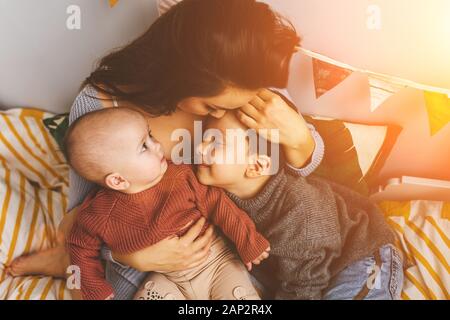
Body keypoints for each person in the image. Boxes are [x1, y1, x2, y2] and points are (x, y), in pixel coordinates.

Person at [6, 0, 324, 299]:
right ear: (180, 76)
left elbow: (291, 180)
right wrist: (128, 254)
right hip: (146, 258)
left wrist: (300, 139)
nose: (217, 116)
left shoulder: (243, 87)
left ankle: (65, 263)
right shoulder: (102, 108)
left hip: (228, 247)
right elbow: (85, 216)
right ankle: (66, 263)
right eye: (211, 105)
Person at [183, 112, 403, 300]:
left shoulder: (298, 214)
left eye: (217, 143)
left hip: (361, 258)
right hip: (297, 267)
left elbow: (304, 288)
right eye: (205, 138)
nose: (200, 148)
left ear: (257, 165)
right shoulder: (215, 189)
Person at [64, 107, 270, 300]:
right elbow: (79, 247)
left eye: (151, 135)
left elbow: (218, 203)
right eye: (144, 146)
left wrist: (247, 240)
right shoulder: (98, 213)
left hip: (216, 262)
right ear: (117, 180)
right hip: (167, 277)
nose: (157, 145)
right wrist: (94, 289)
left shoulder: (181, 175)